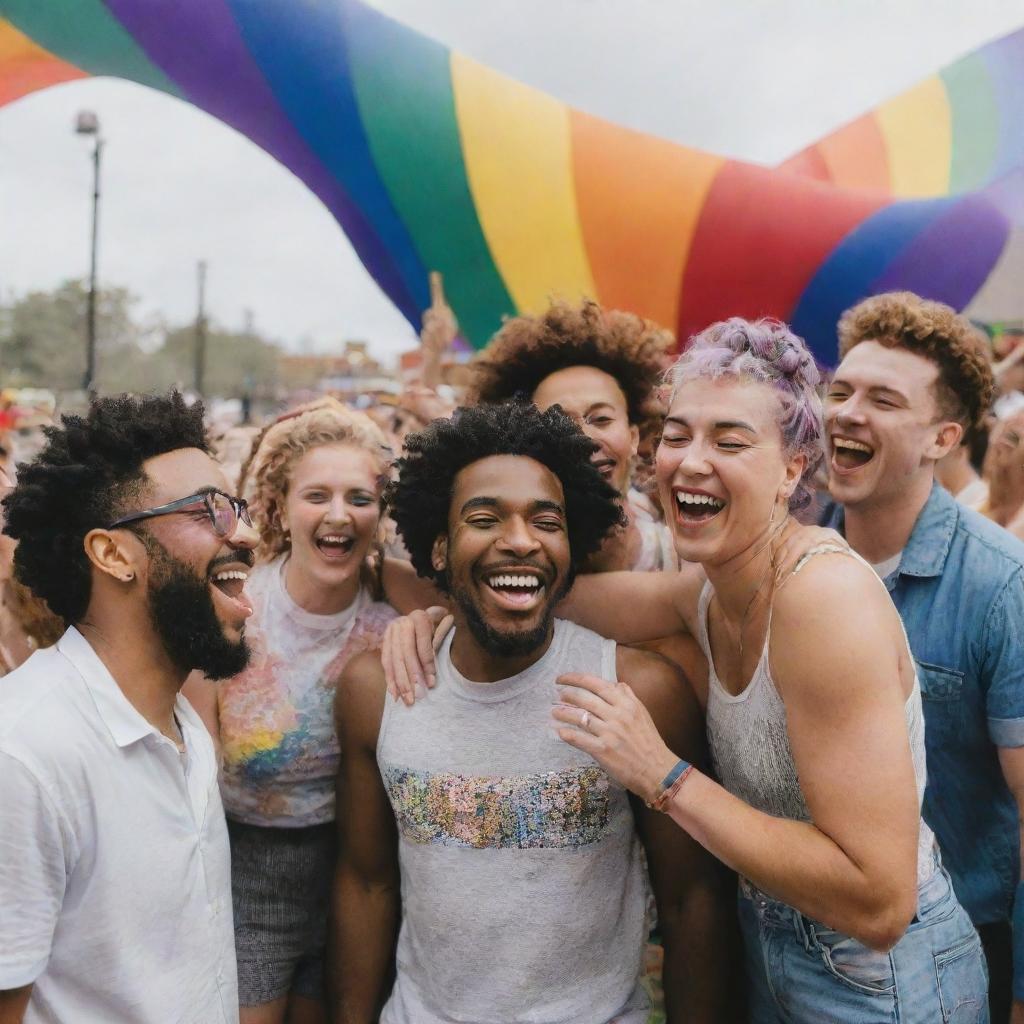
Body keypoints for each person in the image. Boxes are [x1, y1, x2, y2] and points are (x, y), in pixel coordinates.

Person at [384, 319, 989, 1022]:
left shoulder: (823, 599)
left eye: (729, 441)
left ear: (793, 467)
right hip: (774, 949)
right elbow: (538, 588)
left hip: (880, 981)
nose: (691, 462)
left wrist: (662, 777)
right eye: (677, 434)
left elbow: (880, 902)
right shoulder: (703, 591)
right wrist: (436, 612)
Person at [331, 402, 738, 1024]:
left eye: (546, 521)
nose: (520, 541)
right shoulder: (376, 690)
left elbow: (692, 901)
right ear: (440, 549)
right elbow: (365, 884)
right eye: (486, 518)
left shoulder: (640, 691)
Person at [0, 392, 257, 1023]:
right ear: (113, 554)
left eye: (237, 508)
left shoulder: (182, 726)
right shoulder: (23, 757)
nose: (246, 534)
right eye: (209, 511)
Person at [822, 292, 1024, 1022]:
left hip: (957, 959)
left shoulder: (1001, 585)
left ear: (942, 437)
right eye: (839, 390)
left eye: (882, 399)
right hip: (798, 949)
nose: (846, 412)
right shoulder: (782, 550)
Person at [184, 399, 398, 1024]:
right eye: (317, 496)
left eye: (360, 497)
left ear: (380, 512)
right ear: (279, 506)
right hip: (243, 878)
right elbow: (191, 773)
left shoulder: (400, 606)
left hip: (355, 878)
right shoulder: (230, 607)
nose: (339, 515)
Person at [471, 299, 676, 571]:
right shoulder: (501, 557)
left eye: (601, 419)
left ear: (634, 437)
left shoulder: (683, 546)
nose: (585, 440)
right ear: (525, 446)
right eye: (561, 423)